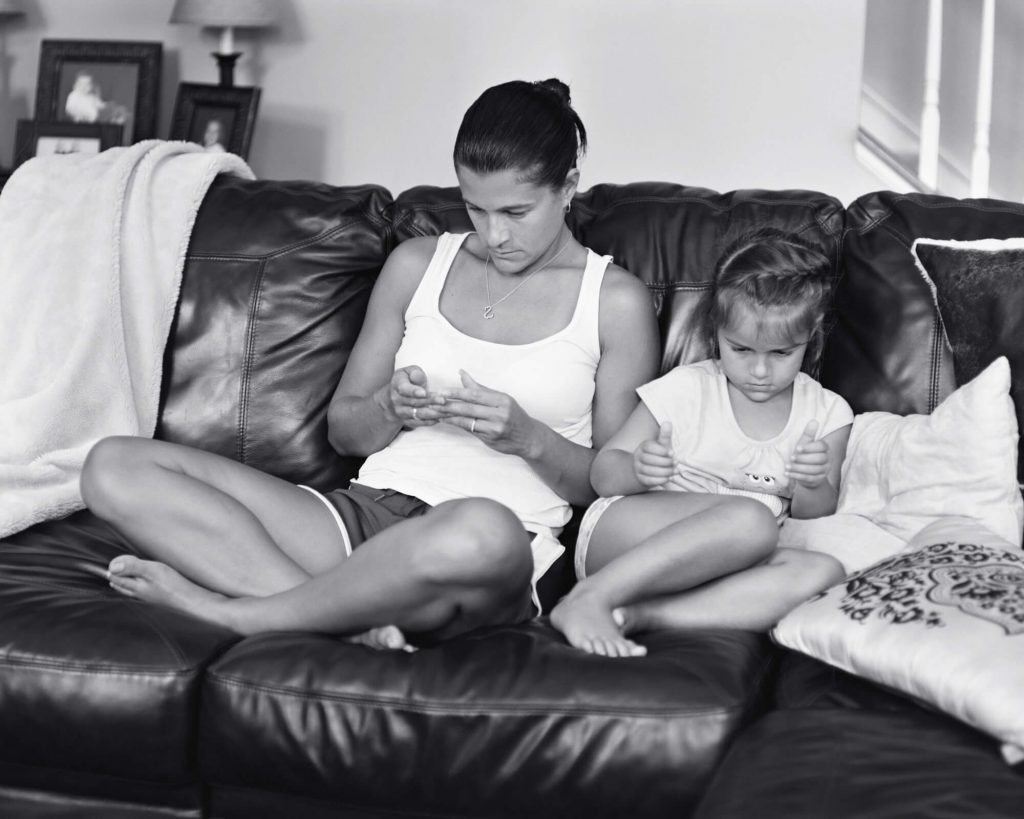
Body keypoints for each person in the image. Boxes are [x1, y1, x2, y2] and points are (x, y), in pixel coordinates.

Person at [80, 78, 660, 650]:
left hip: (492, 544)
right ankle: (341, 618)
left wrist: (526, 437)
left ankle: (241, 613)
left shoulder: (614, 302)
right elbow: (344, 431)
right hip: (362, 516)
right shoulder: (417, 265)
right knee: (113, 465)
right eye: (475, 208)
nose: (494, 234)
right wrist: (388, 407)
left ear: (568, 187)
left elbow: (607, 488)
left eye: (516, 211)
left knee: (482, 527)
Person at [550, 229, 853, 658]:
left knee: (822, 573)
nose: (760, 371)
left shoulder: (827, 412)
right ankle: (590, 597)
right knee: (752, 520)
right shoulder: (686, 388)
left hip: (725, 563)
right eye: (741, 350)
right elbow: (603, 475)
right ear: (717, 330)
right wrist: (637, 469)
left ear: (812, 334)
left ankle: (639, 616)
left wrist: (814, 481)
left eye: (781, 353)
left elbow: (814, 514)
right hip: (627, 540)